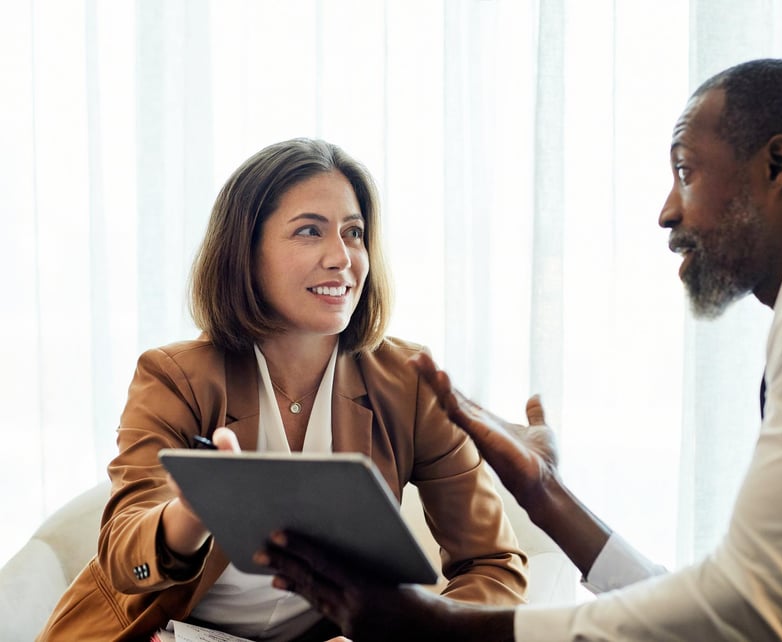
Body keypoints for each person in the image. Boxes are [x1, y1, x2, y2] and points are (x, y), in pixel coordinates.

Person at [257, 59, 782, 641]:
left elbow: (754, 606)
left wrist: (447, 628)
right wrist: (547, 497)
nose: (667, 209)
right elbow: (737, 616)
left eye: (685, 169)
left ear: (778, 164)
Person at [38, 138, 528, 641]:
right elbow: (125, 561)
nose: (341, 257)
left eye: (354, 232)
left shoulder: (410, 384)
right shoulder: (173, 376)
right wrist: (192, 514)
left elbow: (493, 566)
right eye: (309, 231)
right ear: (246, 253)